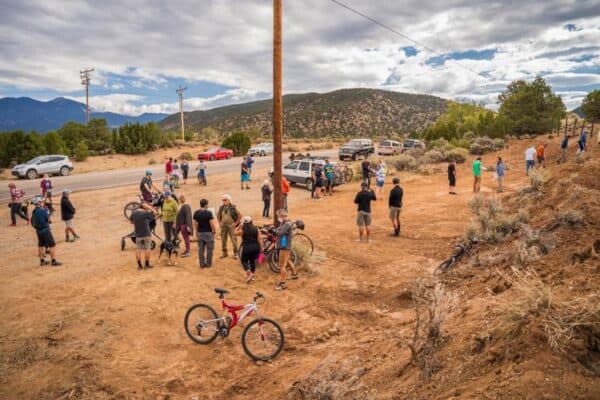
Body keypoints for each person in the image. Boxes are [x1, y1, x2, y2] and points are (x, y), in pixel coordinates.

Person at [31, 198, 62, 266]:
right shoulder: (43, 210)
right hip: (45, 230)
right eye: (41, 201)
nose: (42, 202)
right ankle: (53, 261)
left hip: (38, 231)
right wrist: (49, 213)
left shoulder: (34, 211)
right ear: (39, 203)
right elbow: (48, 220)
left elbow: (32, 222)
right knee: (52, 245)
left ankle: (42, 261)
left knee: (41, 245)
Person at [275, 209, 298, 291]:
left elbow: (280, 233)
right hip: (286, 246)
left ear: (282, 216)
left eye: (278, 216)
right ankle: (294, 274)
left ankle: (283, 283)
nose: (278, 218)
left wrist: (275, 230)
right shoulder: (285, 223)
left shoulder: (287, 224)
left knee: (282, 266)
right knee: (287, 260)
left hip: (284, 247)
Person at [235, 216, 263, 283]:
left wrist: (238, 227)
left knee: (244, 261)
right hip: (255, 247)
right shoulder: (256, 228)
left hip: (247, 247)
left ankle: (249, 273)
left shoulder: (242, 230)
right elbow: (260, 239)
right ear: (251, 221)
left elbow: (234, 233)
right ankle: (252, 276)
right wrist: (262, 248)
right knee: (252, 261)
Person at [131, 203, 157, 270]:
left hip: (138, 234)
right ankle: (146, 265)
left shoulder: (134, 213)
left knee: (138, 249)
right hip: (146, 234)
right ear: (145, 208)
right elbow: (155, 213)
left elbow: (131, 221)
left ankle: (139, 266)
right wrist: (150, 207)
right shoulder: (146, 213)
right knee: (147, 249)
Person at [194, 198, 217, 268]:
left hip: (200, 233)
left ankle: (201, 264)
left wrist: (196, 232)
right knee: (209, 249)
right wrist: (214, 230)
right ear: (205, 205)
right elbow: (211, 223)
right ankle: (208, 264)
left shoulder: (196, 212)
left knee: (201, 249)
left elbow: (195, 223)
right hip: (208, 234)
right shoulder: (208, 213)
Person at [217, 194, 241, 258]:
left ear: (229, 200)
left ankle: (236, 253)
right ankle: (224, 253)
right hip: (224, 226)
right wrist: (220, 223)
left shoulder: (233, 208)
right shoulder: (221, 208)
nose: (224, 201)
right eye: (223, 200)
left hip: (231, 226)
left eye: (225, 200)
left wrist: (235, 224)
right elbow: (218, 215)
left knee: (234, 240)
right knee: (223, 240)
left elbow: (240, 215)